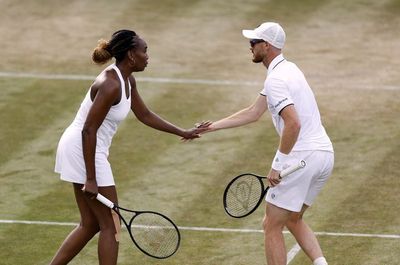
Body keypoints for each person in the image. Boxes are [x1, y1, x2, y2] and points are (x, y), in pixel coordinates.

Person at [50, 29, 208, 265]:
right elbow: (88, 130)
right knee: (111, 224)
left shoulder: (127, 80)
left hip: (86, 148)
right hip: (82, 148)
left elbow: (144, 114)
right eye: (144, 51)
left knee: (91, 223)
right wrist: (91, 178)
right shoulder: (110, 84)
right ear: (131, 55)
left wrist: (182, 131)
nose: (147, 56)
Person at [200, 22, 334, 265]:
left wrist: (278, 165)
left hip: (301, 157)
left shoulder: (276, 80)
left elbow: (293, 124)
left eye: (253, 43)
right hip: (324, 155)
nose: (249, 46)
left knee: (271, 225)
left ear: (266, 46)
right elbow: (253, 112)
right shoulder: (288, 70)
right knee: (293, 219)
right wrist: (211, 127)